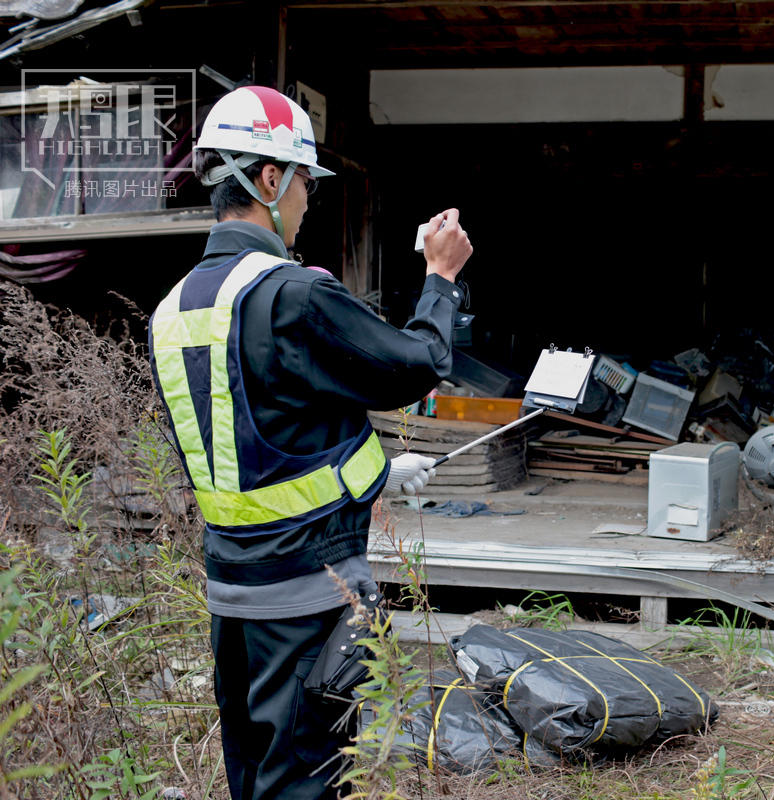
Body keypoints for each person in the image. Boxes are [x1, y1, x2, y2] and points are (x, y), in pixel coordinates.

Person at [148, 85, 472, 799]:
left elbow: (254, 447)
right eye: (302, 184)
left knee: (255, 779)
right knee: (304, 784)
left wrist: (376, 473)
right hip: (304, 602)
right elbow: (416, 365)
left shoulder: (171, 312)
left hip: (233, 600)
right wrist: (440, 279)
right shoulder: (290, 294)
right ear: (268, 179)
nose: (305, 203)